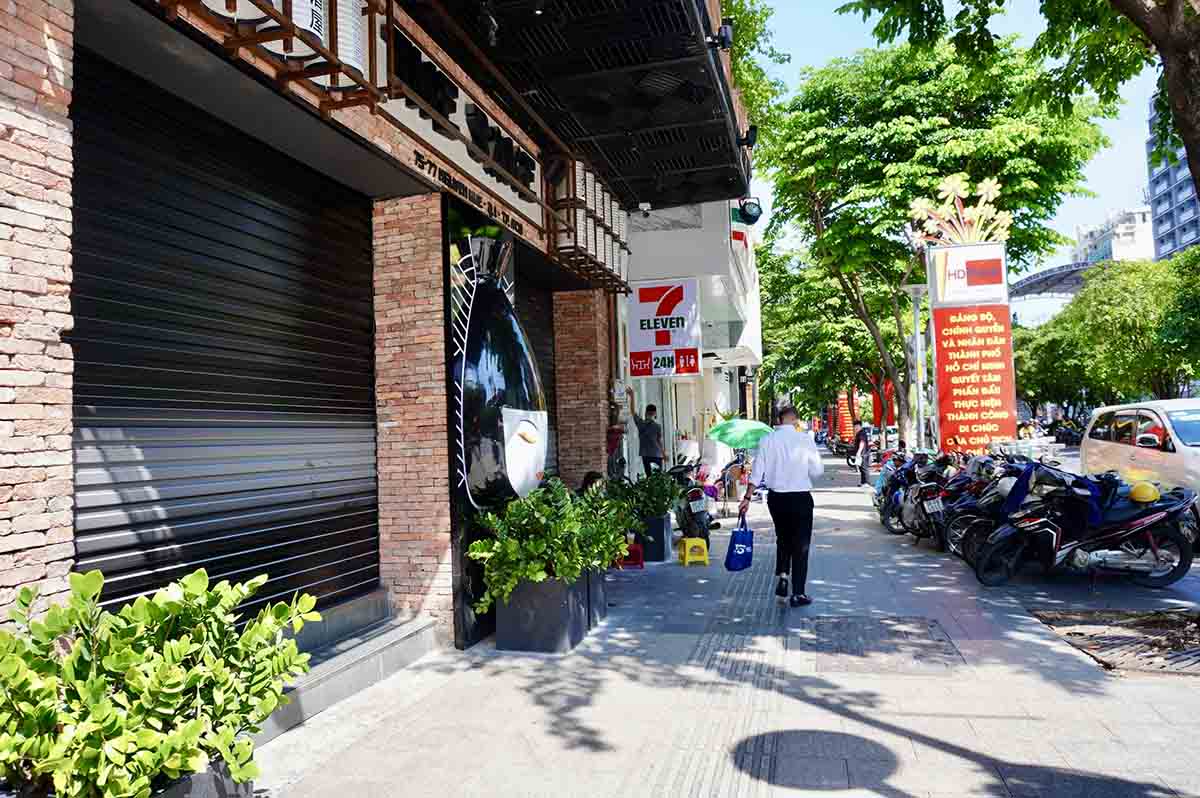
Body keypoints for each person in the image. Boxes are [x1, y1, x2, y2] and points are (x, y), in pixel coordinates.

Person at [739, 406, 824, 607]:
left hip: (777, 499)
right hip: (801, 498)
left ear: (779, 421)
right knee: (801, 545)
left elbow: (757, 473)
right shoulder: (804, 440)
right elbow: (818, 471)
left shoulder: (767, 440)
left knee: (783, 538)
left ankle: (784, 575)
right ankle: (798, 593)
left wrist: (747, 498)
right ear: (796, 421)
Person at [626, 386, 664, 475]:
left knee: (649, 476)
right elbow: (659, 442)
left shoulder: (640, 424)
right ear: (655, 414)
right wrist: (664, 454)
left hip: (645, 454)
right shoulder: (657, 426)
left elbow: (632, 411)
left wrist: (632, 396)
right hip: (657, 455)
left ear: (646, 412)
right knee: (658, 478)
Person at [852, 420, 871, 487]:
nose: (855, 428)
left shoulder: (862, 433)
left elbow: (862, 442)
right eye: (854, 426)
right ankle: (863, 482)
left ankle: (867, 482)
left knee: (864, 468)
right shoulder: (859, 433)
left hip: (863, 453)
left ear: (859, 426)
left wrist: (859, 451)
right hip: (862, 453)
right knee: (861, 468)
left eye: (856, 426)